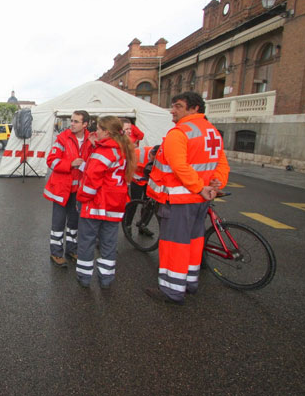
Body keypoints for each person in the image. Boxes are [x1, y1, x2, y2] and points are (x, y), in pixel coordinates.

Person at [145, 92, 230, 305]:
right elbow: (222, 164)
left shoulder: (179, 133)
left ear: (193, 109)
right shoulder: (212, 132)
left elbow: (179, 166)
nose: (173, 110)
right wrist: (215, 185)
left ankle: (172, 290)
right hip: (200, 202)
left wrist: (200, 187)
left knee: (175, 245)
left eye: (178, 106)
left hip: (179, 201)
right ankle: (190, 283)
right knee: (194, 242)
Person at [75, 116, 135, 289]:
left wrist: (81, 198)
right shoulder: (123, 149)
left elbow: (91, 180)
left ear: (107, 132)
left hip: (96, 204)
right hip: (114, 204)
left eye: (99, 129)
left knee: (87, 241)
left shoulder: (104, 152)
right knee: (109, 243)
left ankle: (84, 277)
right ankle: (106, 278)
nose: (96, 132)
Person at [43, 110, 93, 267]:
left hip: (78, 191)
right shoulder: (62, 138)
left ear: (85, 124)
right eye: (71, 120)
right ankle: (56, 253)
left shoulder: (90, 140)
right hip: (61, 190)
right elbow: (51, 161)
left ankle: (71, 250)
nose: (72, 123)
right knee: (58, 224)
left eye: (76, 121)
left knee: (74, 223)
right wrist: (70, 164)